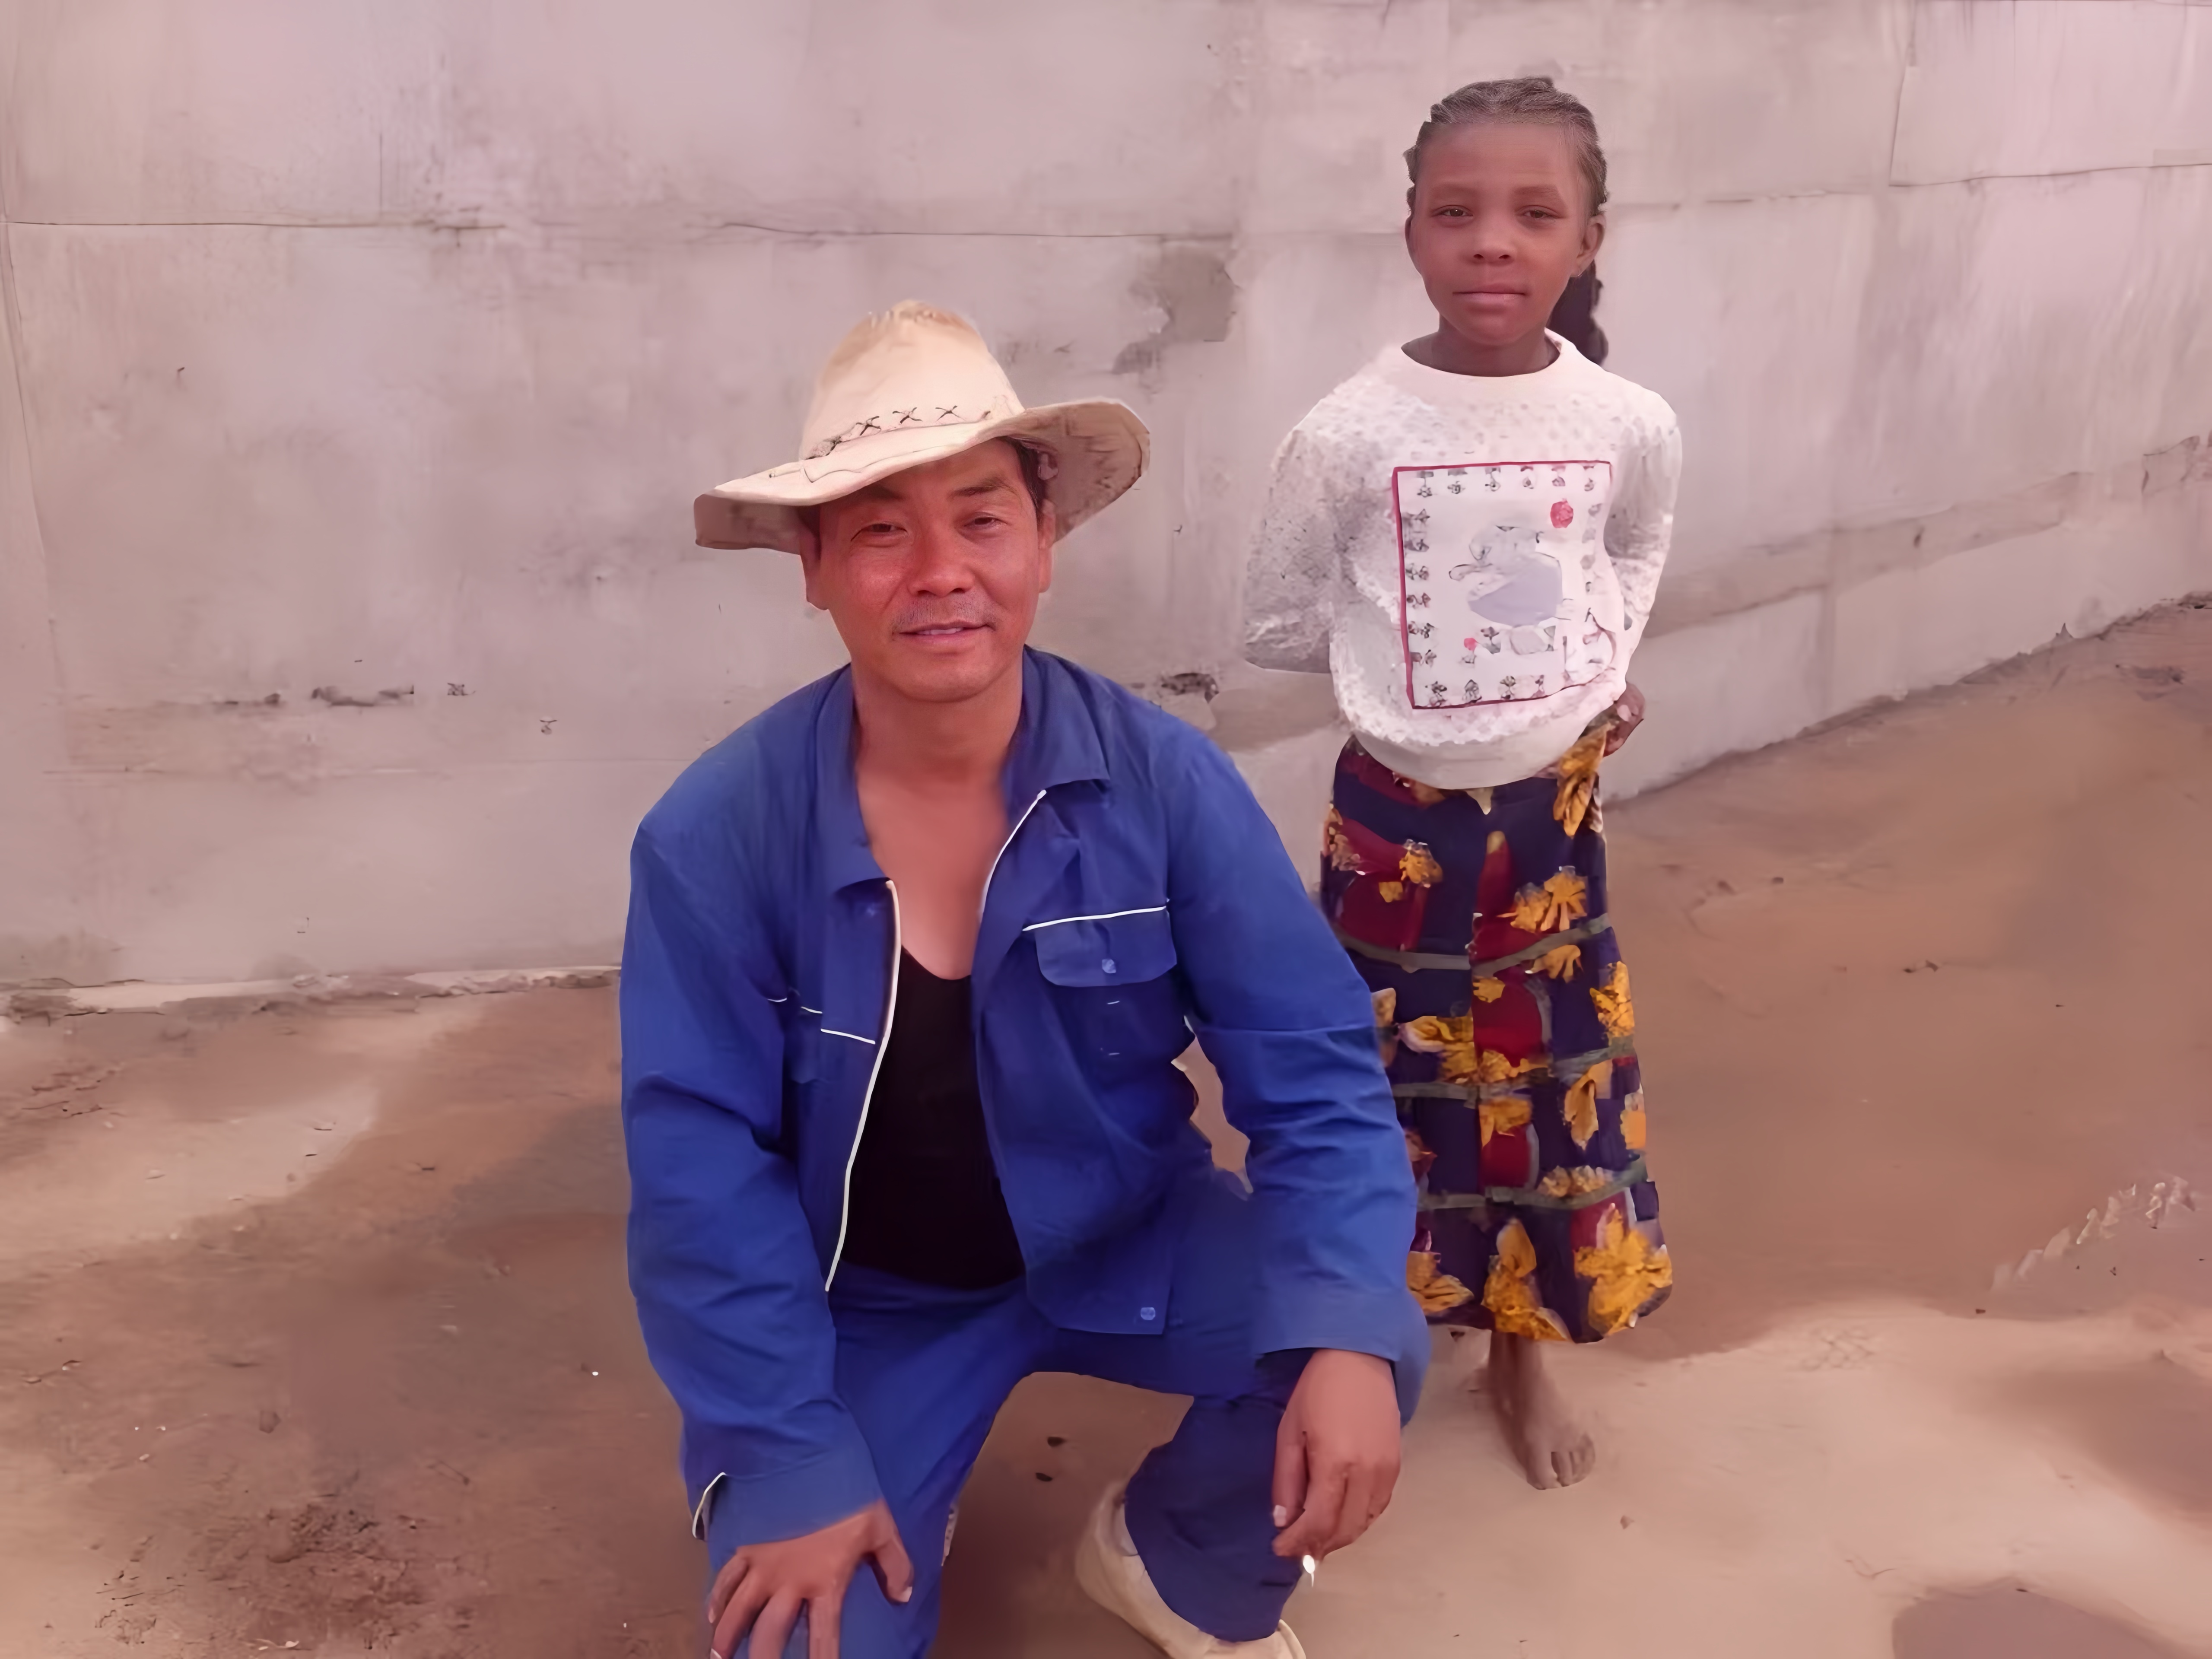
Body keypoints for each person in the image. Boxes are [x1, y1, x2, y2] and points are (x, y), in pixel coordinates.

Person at [623, 301, 1427, 1659]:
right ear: (815, 567)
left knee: (1365, 1343)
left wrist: (1347, 1331)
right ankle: (882, 1465)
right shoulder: (718, 834)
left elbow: (1317, 1074)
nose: (941, 572)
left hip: (1126, 1238)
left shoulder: (1162, 783)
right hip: (865, 1301)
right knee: (804, 1639)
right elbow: (697, 1170)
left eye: (982, 519)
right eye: (882, 530)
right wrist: (791, 1453)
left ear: (1044, 542)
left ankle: (1173, 1561)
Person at [1241, 78, 1679, 1492]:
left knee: (1545, 1094)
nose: (1494, 241)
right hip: (1396, 825)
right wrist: (1417, 671)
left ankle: (1520, 1353)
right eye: (1457, 212)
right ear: (1413, 234)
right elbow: (1276, 619)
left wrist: (1594, 668)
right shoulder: (1351, 432)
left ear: (1587, 241)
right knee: (1379, 1084)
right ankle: (1358, 1334)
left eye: (1535, 214)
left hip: (1551, 824)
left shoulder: (1626, 420)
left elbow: (1634, 546)